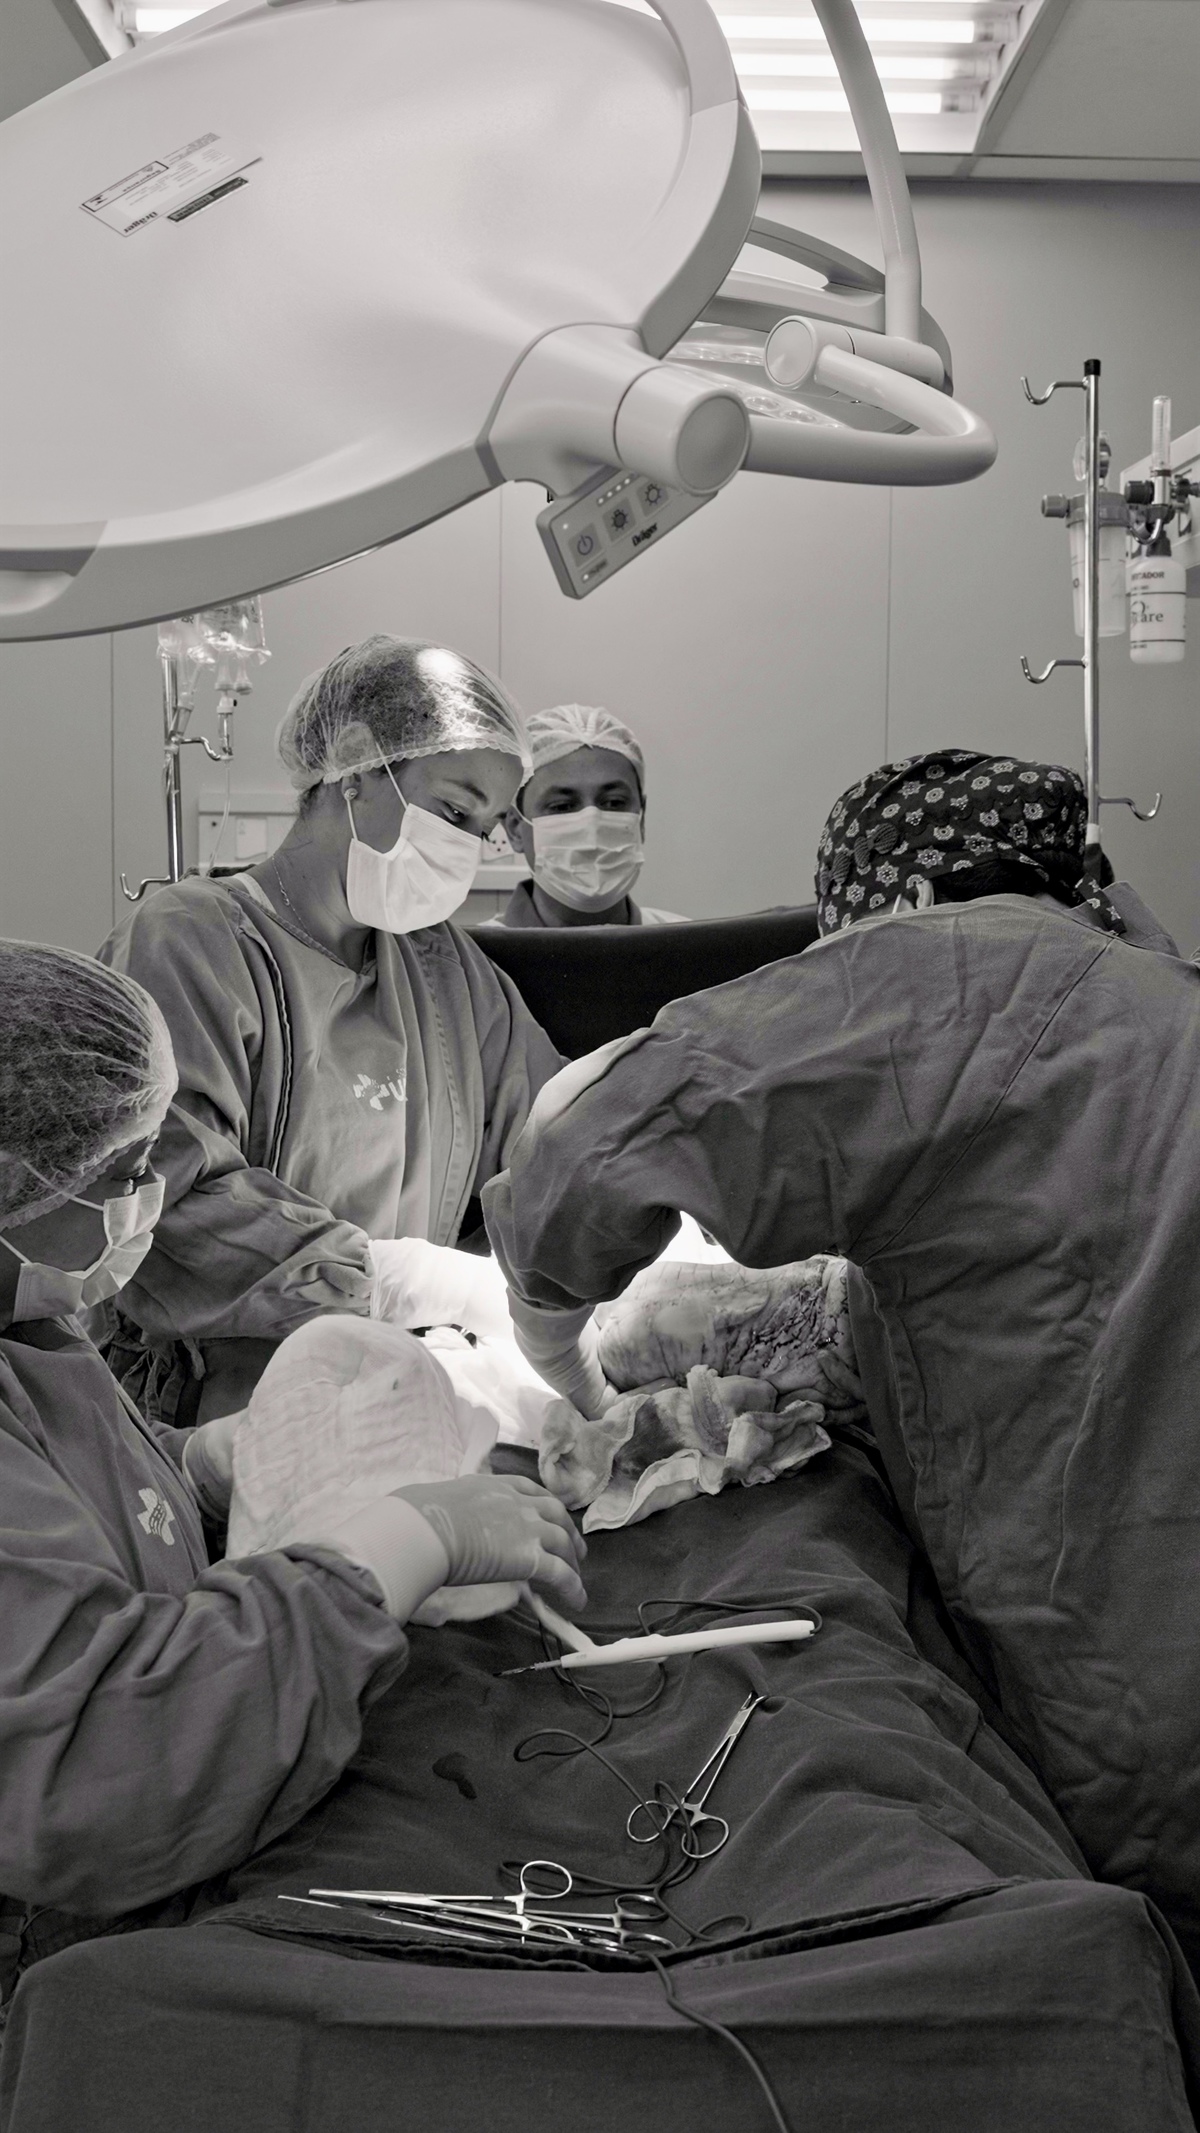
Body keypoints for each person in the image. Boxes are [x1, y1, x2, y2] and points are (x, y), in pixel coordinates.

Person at [482, 748, 1200, 1968]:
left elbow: (593, 1151)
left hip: (1133, 1661)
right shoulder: (1149, 985)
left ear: (893, 900)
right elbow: (1038, 1271)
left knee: (1134, 1943)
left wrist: (556, 1338)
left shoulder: (945, 966)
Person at [0, 942, 585, 1998]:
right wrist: (398, 1546)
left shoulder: (27, 1320)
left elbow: (53, 1496)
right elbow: (98, 1774)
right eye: (122, 1172)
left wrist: (192, 1469)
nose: (150, 1199)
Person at [98, 637, 564, 1426]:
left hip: (403, 1384)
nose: (468, 849)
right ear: (354, 763)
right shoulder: (191, 942)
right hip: (224, 1408)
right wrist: (396, 1280)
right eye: (455, 811)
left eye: (486, 827)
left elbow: (551, 1126)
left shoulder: (442, 966)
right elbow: (163, 1201)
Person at [493, 703, 687, 929]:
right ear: (514, 828)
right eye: (562, 806)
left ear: (641, 819)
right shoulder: (475, 950)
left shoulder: (690, 944)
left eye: (614, 802)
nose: (591, 824)